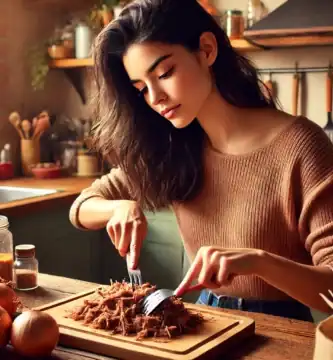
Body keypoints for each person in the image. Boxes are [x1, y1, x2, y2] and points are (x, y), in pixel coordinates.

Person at [69, 0, 333, 322]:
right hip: (204, 322)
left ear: (207, 50)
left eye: (164, 73)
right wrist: (119, 207)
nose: (155, 98)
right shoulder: (170, 146)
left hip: (282, 329)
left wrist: (259, 262)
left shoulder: (301, 147)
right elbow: (81, 207)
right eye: (141, 89)